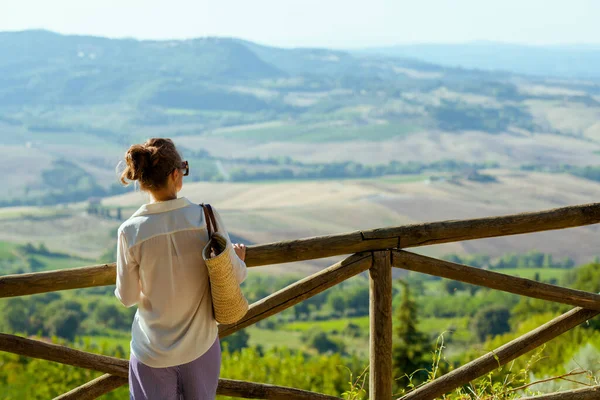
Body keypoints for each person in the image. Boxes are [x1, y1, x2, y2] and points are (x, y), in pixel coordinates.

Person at [115, 138, 247, 399]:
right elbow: (236, 275)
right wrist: (238, 259)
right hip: (201, 346)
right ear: (176, 174)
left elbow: (128, 297)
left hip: (152, 352)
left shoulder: (130, 231)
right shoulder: (205, 217)